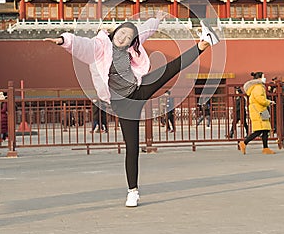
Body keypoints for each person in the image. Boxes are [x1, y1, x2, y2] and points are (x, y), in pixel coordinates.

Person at [44, 14, 220, 207]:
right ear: (114, 32)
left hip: (138, 88)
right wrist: (63, 40)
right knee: (132, 147)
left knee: (171, 68)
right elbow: (82, 45)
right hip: (122, 103)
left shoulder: (130, 47)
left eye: (129, 37)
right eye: (122, 33)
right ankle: (132, 192)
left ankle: (205, 43)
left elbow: (145, 30)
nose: (124, 38)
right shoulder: (100, 47)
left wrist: (157, 20)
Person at [239, 72, 276, 155]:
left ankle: (265, 148)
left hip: (259, 110)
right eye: (263, 77)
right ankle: (244, 143)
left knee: (265, 130)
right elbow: (260, 98)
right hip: (259, 111)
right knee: (259, 131)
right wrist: (269, 102)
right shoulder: (258, 87)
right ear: (259, 78)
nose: (264, 78)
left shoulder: (256, 87)